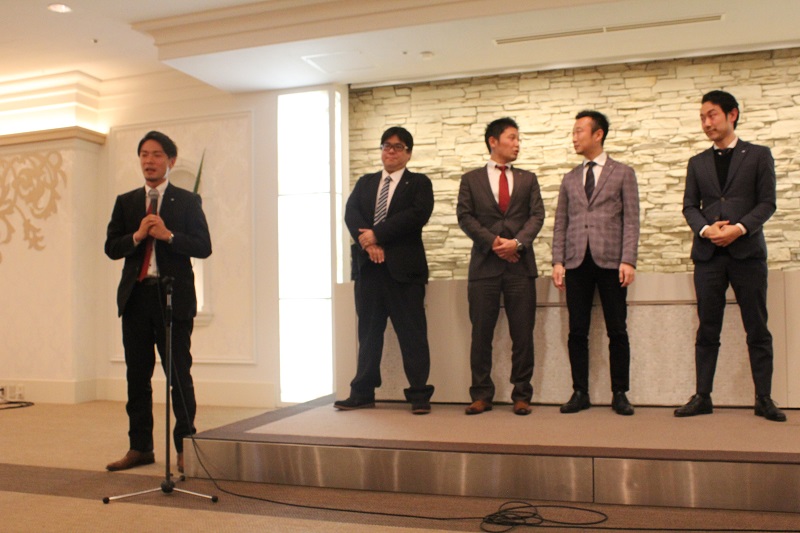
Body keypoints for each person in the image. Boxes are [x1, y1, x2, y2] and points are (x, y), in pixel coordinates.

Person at [104, 131, 212, 472]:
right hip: (136, 298)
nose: (149, 161)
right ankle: (140, 447)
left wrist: (168, 235)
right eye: (144, 155)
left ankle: (185, 446)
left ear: (171, 161)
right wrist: (137, 236)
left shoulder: (187, 201)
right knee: (137, 377)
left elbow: (203, 246)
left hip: (172, 298)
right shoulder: (126, 202)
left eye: (156, 155)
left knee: (178, 375)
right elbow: (111, 247)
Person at [676, 90, 786, 422]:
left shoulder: (759, 155)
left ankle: (763, 398)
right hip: (708, 256)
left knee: (757, 328)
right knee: (707, 329)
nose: (706, 123)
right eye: (702, 118)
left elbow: (767, 203)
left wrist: (739, 228)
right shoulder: (697, 162)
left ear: (732, 114)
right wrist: (706, 230)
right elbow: (689, 207)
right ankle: (703, 396)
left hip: (747, 253)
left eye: (711, 115)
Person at [335, 126, 435, 414]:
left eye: (398, 146)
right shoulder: (365, 183)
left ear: (408, 153)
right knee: (368, 334)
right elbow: (351, 213)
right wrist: (369, 244)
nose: (391, 151)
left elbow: (416, 215)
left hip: (405, 273)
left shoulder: (419, 183)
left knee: (412, 335)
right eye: (386, 146)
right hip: (369, 271)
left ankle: (419, 394)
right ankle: (362, 392)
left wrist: (377, 234)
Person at [551, 110, 640, 416]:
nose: (574, 137)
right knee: (577, 330)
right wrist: (558, 260)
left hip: (612, 261)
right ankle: (580, 392)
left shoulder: (623, 173)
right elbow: (560, 222)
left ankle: (620, 392)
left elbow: (632, 220)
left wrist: (628, 259)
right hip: (576, 262)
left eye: (579, 131)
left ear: (598, 134)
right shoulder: (569, 178)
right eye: (573, 132)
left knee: (617, 329)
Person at [457, 117, 545, 416]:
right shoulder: (471, 179)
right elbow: (465, 217)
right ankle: (481, 394)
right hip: (485, 267)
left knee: (523, 334)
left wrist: (516, 243)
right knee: (481, 334)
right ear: (493, 141)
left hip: (521, 266)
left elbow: (537, 216)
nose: (517, 144)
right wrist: (495, 242)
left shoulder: (528, 179)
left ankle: (522, 394)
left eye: (519, 138)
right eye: (512, 137)